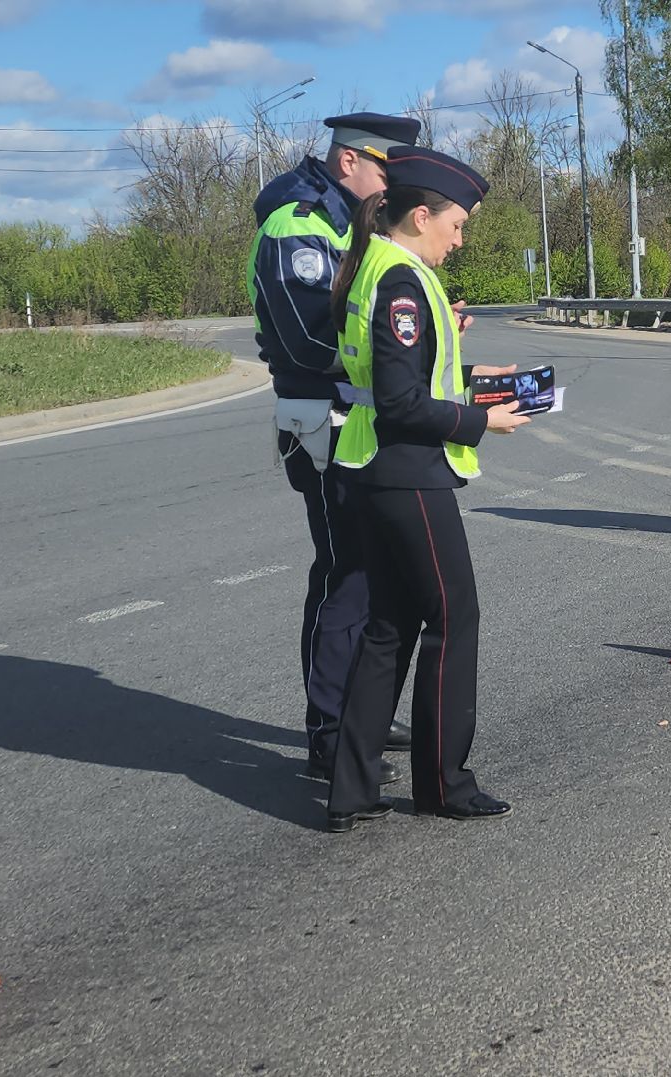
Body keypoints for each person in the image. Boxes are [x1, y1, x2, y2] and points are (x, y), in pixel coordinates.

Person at [322, 145, 530, 832]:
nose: (460, 239)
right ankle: (445, 785)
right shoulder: (402, 283)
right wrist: (481, 421)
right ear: (421, 216)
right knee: (453, 617)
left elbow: (399, 378)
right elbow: (401, 402)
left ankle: (352, 789)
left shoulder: (379, 266)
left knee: (390, 625)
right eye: (457, 225)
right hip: (407, 470)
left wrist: (472, 378)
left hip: (373, 467)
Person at [250, 112, 425, 785]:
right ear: (349, 160)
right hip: (322, 422)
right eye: (388, 169)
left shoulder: (355, 223)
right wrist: (394, 358)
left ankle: (360, 715)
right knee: (346, 576)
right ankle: (331, 731)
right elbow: (308, 342)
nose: (395, 184)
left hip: (361, 419)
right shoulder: (298, 224)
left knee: (373, 574)